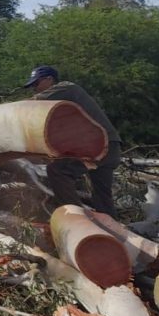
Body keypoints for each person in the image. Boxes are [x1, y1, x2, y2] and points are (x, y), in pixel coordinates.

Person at [25, 65, 122, 217]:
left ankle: (77, 217)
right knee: (102, 197)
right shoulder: (63, 104)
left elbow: (32, 103)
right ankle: (113, 231)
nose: (34, 89)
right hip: (110, 146)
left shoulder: (66, 88)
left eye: (36, 84)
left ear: (49, 79)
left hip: (100, 145)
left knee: (57, 171)